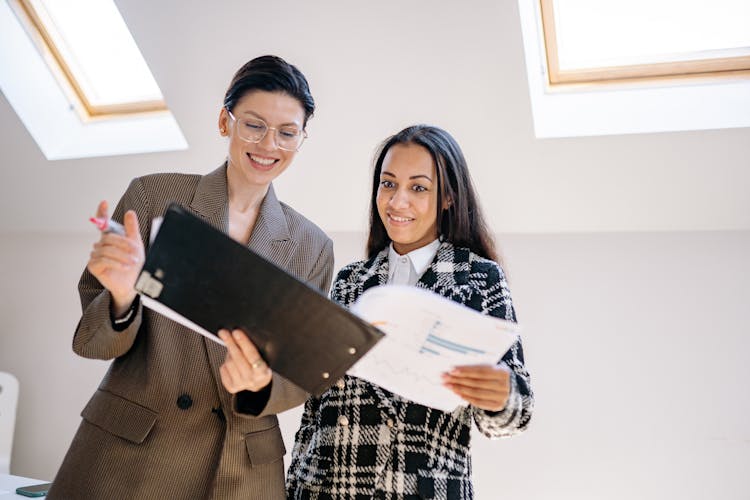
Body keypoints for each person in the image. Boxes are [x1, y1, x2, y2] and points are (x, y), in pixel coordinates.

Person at [47, 55, 333, 500]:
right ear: (225, 121)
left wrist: (260, 384)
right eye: (254, 125)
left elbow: (299, 372)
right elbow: (93, 342)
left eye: (287, 132)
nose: (268, 145)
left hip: (239, 470)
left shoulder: (311, 246)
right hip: (131, 454)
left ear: (302, 138)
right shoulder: (155, 195)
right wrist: (122, 297)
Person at [286, 125, 534, 499]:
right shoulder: (349, 281)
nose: (397, 201)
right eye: (388, 184)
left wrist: (501, 396)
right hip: (326, 487)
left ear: (448, 197)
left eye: (418, 188)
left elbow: (519, 411)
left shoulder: (479, 277)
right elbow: (316, 407)